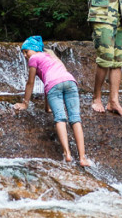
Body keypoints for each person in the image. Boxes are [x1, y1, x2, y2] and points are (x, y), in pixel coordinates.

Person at [13, 36, 92, 166]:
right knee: (75, 119)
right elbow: (49, 80)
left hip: (53, 86)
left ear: (34, 49)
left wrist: (25, 103)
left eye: (26, 51)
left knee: (60, 118)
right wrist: (47, 107)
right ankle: (82, 158)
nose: (25, 55)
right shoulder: (52, 57)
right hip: (70, 82)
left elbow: (31, 82)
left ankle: (67, 154)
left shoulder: (34, 58)